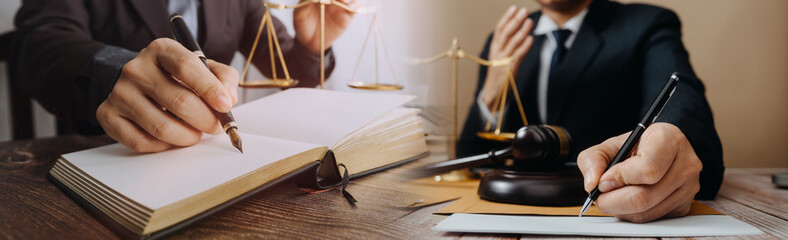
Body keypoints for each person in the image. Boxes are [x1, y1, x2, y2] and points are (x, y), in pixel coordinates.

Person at [459, 0, 724, 223]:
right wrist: (491, 97)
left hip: (614, 212)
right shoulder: (505, 38)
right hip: (511, 214)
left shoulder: (647, 24)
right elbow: (469, 161)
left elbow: (683, 100)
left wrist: (671, 137)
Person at [12, 0, 354, 152]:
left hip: (205, 159)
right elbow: (38, 40)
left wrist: (312, 45)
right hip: (106, 155)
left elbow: (284, 67)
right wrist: (117, 71)